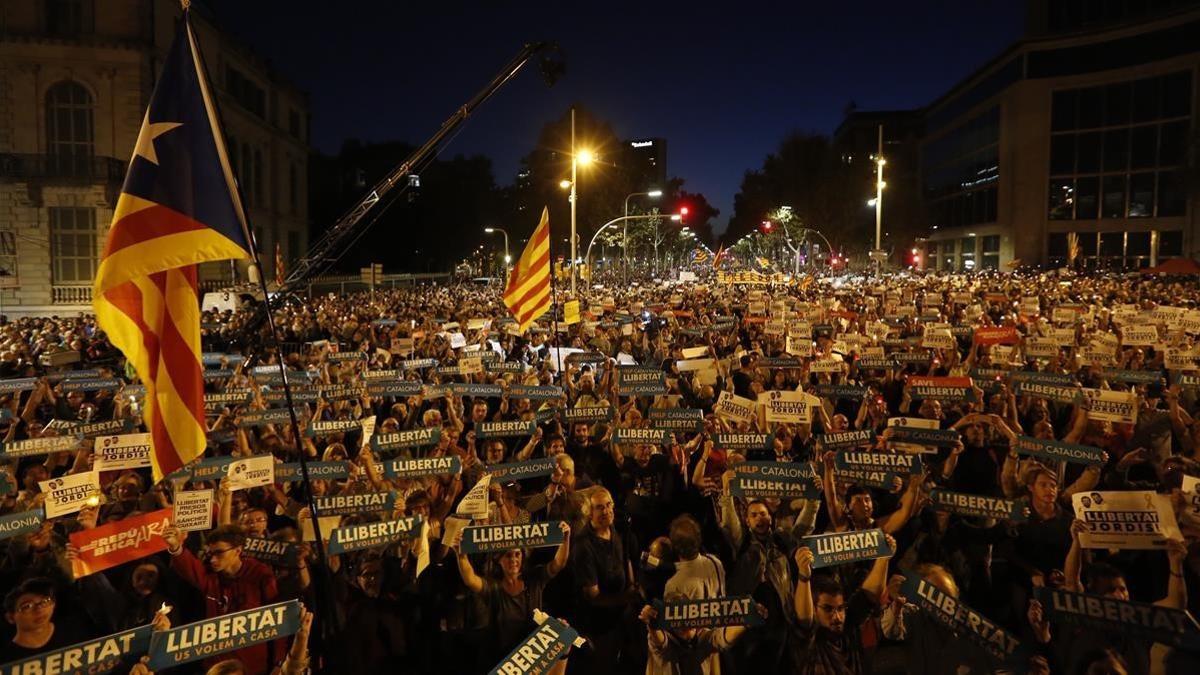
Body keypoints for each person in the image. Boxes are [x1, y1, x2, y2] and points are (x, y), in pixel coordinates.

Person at [162, 524, 284, 675]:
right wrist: (175, 546)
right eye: (210, 553)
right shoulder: (211, 577)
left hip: (251, 667)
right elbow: (191, 569)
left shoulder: (260, 575)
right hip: (217, 666)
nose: (213, 559)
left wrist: (279, 662)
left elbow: (279, 621)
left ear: (238, 551)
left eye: (219, 553)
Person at [790, 534, 896, 674]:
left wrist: (884, 557)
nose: (837, 617)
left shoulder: (848, 628)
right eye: (827, 609)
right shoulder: (809, 642)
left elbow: (870, 595)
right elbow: (804, 620)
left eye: (840, 609)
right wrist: (804, 576)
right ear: (813, 609)